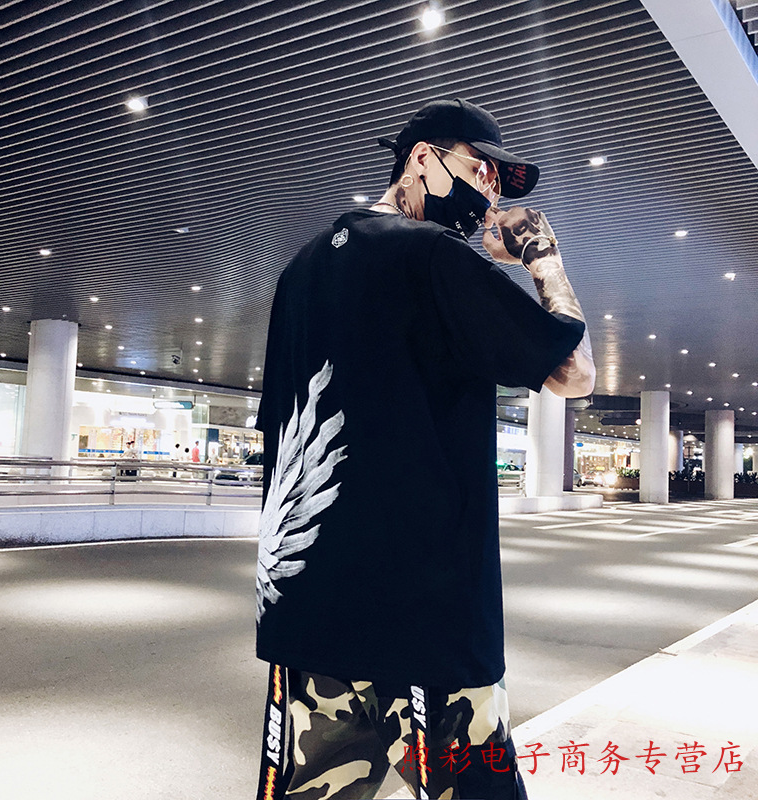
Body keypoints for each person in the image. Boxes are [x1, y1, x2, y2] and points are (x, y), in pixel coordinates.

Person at [253, 98, 595, 800]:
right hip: (425, 614)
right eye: (480, 169)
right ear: (421, 159)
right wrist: (542, 253)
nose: (488, 191)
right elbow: (575, 374)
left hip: (306, 610)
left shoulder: (299, 272)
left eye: (499, 183)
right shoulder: (432, 253)